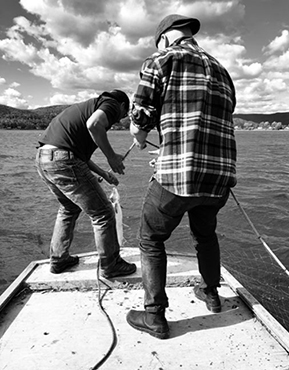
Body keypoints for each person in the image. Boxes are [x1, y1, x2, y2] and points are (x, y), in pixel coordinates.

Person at [126, 15, 237, 339]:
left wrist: (140, 136)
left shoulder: (161, 59)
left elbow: (141, 118)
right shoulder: (222, 71)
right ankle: (211, 294)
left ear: (163, 37)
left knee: (150, 238)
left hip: (178, 176)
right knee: (205, 235)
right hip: (218, 180)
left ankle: (155, 316)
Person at [36, 89, 136, 278]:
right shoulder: (111, 103)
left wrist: (104, 173)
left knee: (68, 208)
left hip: (43, 158)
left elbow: (75, 155)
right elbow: (94, 124)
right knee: (103, 213)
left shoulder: (85, 108)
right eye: (124, 114)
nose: (119, 119)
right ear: (123, 106)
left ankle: (59, 259)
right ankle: (111, 265)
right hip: (62, 159)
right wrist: (112, 157)